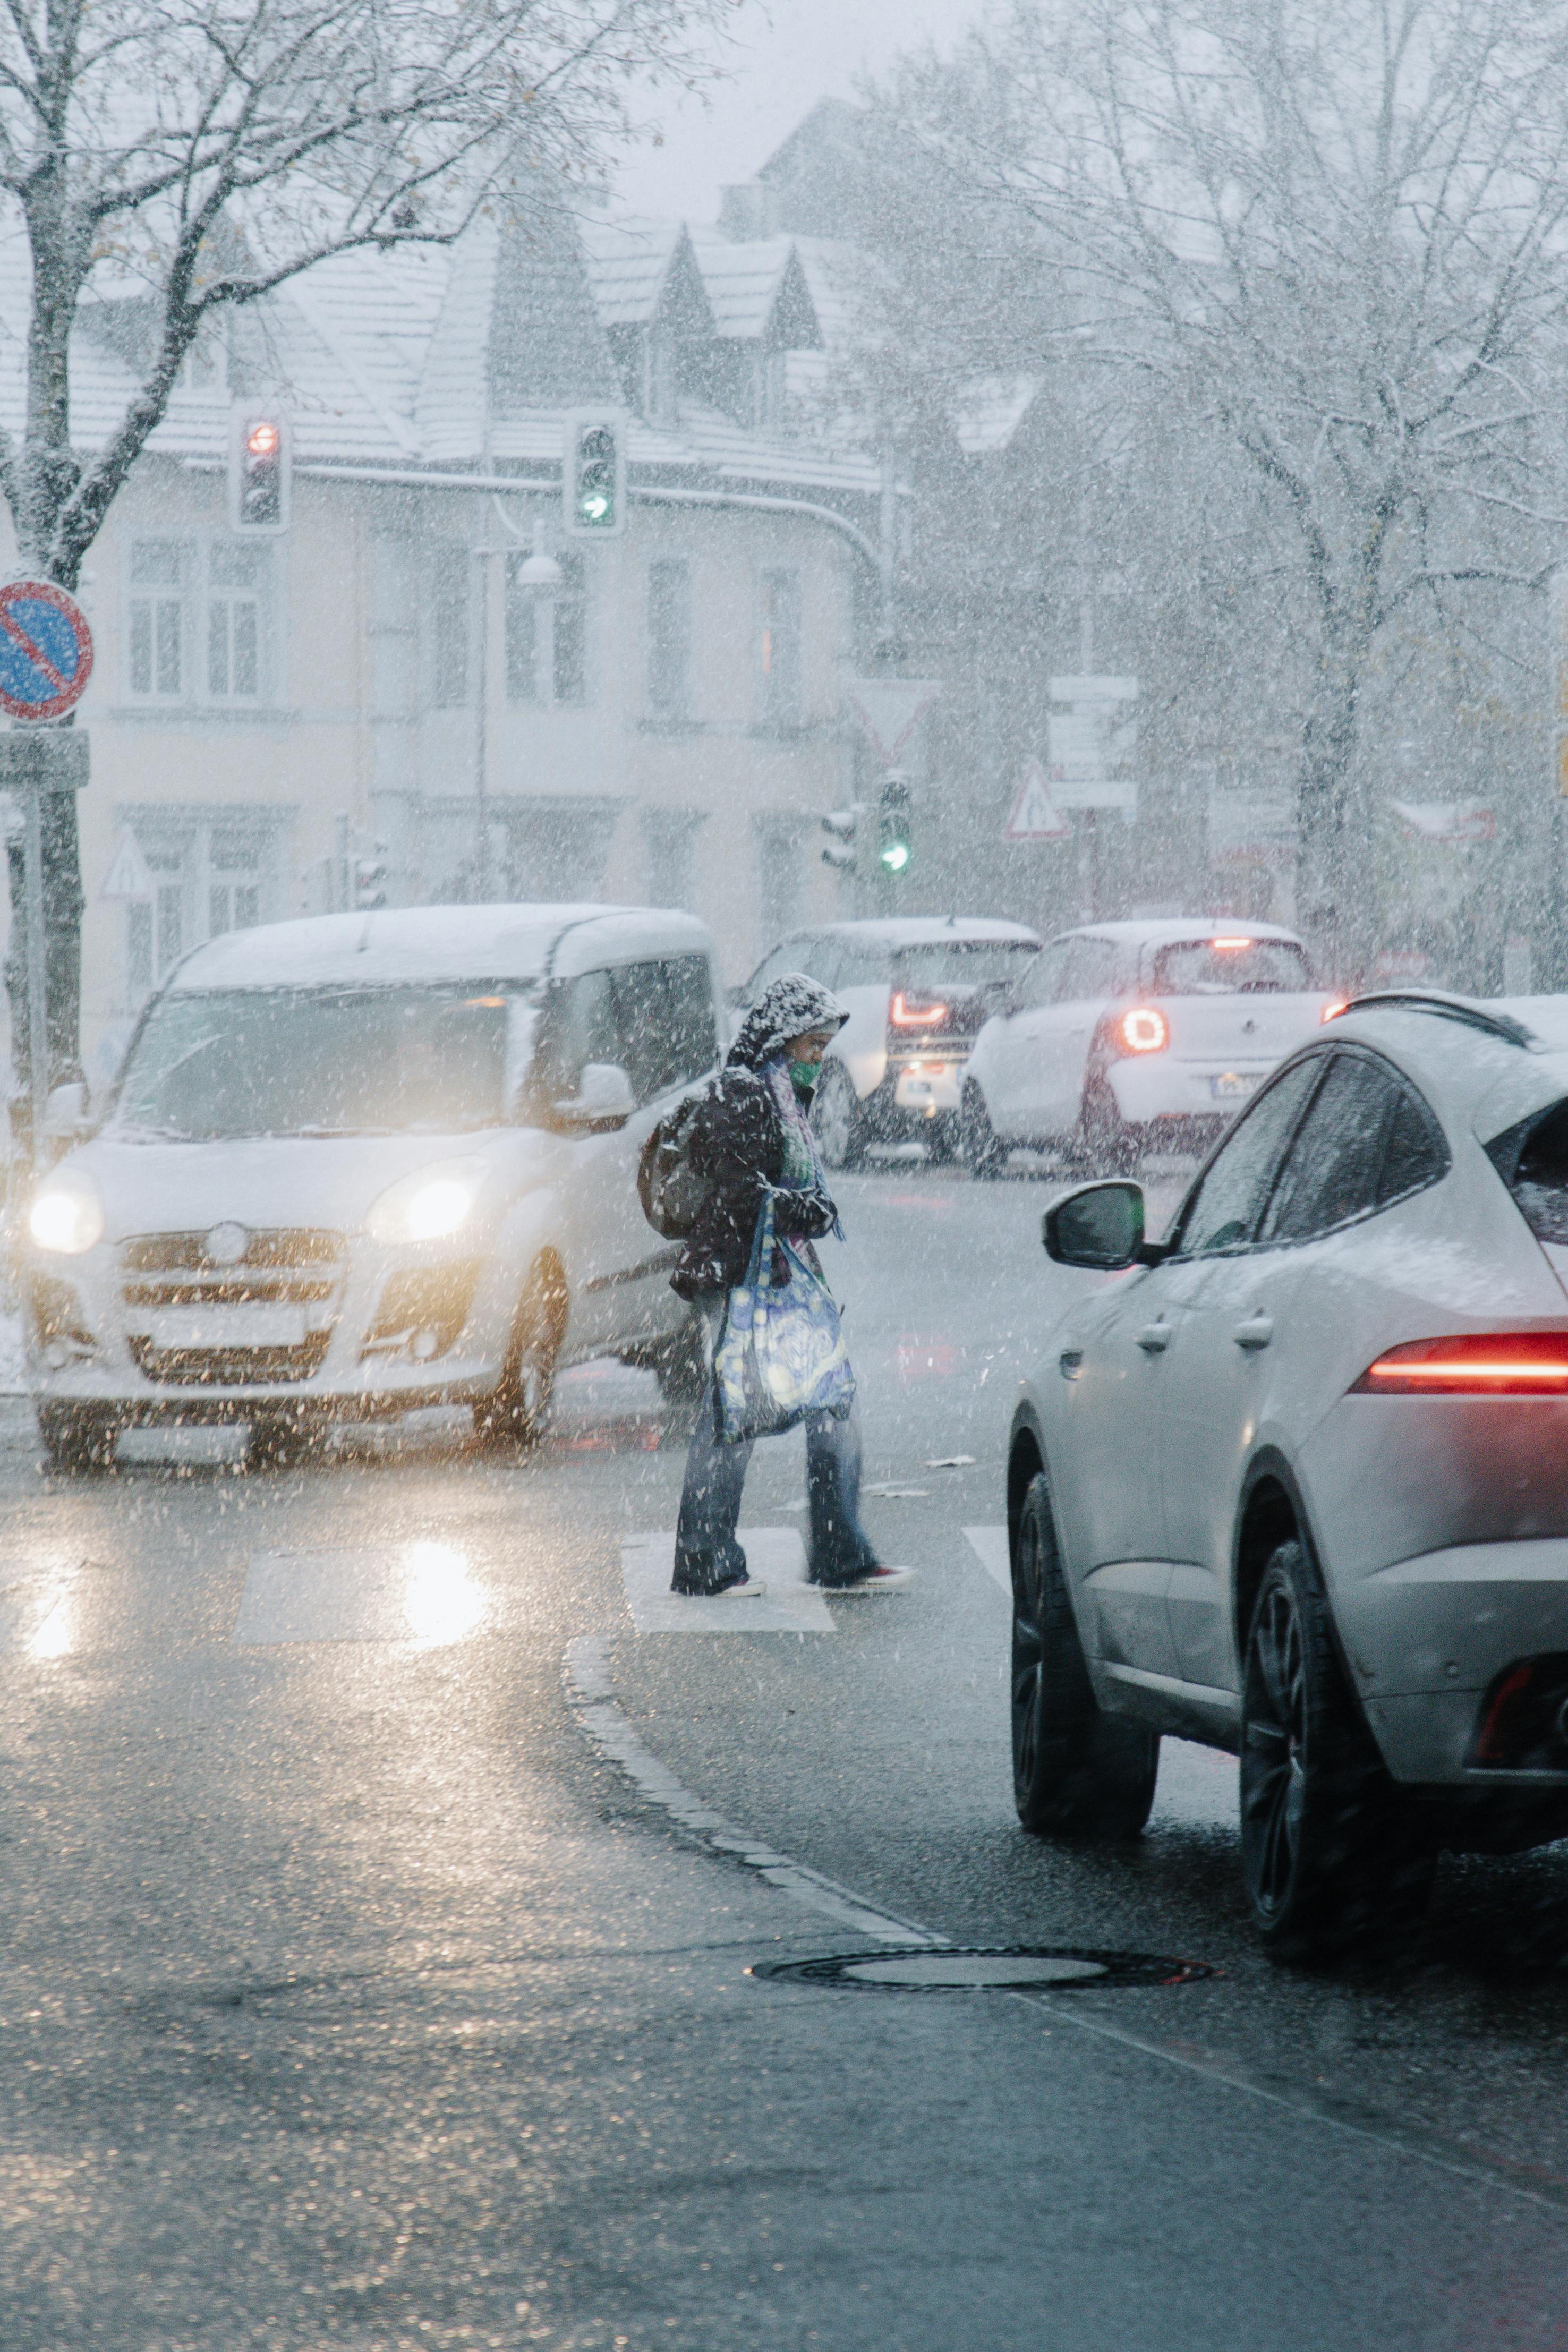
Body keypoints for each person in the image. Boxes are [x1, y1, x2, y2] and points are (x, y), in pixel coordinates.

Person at [668, 973, 914, 1598]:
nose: (817, 1063)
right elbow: (736, 1190)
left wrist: (805, 1213)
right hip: (739, 1278)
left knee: (833, 1406)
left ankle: (840, 1552)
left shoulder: (782, 1098)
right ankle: (704, 1560)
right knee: (733, 1418)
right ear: (780, 1042)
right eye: (811, 1048)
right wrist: (803, 1211)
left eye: (823, 1050)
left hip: (785, 1277)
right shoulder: (743, 1094)